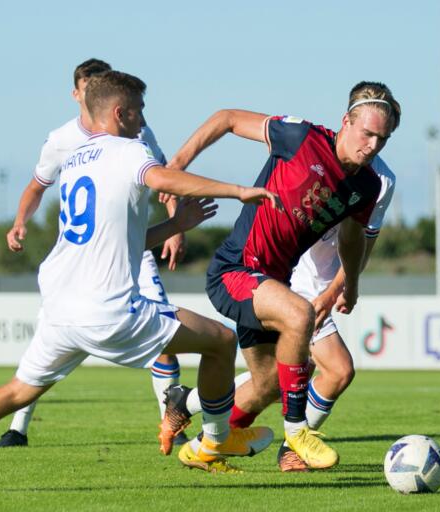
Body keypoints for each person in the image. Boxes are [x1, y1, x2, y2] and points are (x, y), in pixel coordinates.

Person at [0, 70, 280, 493]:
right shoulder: (129, 150)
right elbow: (165, 178)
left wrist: (176, 225)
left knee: (17, 391)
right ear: (120, 113)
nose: (144, 119)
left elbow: (119, 239)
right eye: (139, 111)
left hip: (61, 309)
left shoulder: (77, 160)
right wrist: (239, 190)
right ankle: (216, 441)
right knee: (222, 341)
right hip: (108, 310)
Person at [158, 81, 401, 472]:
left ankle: (187, 410)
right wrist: (177, 165)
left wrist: (350, 287)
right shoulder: (301, 137)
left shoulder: (368, 185)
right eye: (367, 133)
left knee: (268, 384)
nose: (372, 145)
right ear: (346, 121)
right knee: (301, 317)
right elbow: (227, 118)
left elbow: (353, 240)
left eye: (382, 139)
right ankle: (297, 433)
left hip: (273, 283)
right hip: (235, 269)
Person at [0, 58, 188, 448]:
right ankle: (18, 427)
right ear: (76, 93)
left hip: (131, 252)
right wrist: (20, 221)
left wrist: (175, 224)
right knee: (48, 340)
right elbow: (36, 186)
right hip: (79, 261)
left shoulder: (137, 133)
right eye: (87, 84)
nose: (90, 90)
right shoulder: (61, 139)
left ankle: (173, 429)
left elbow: (166, 177)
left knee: (165, 341)